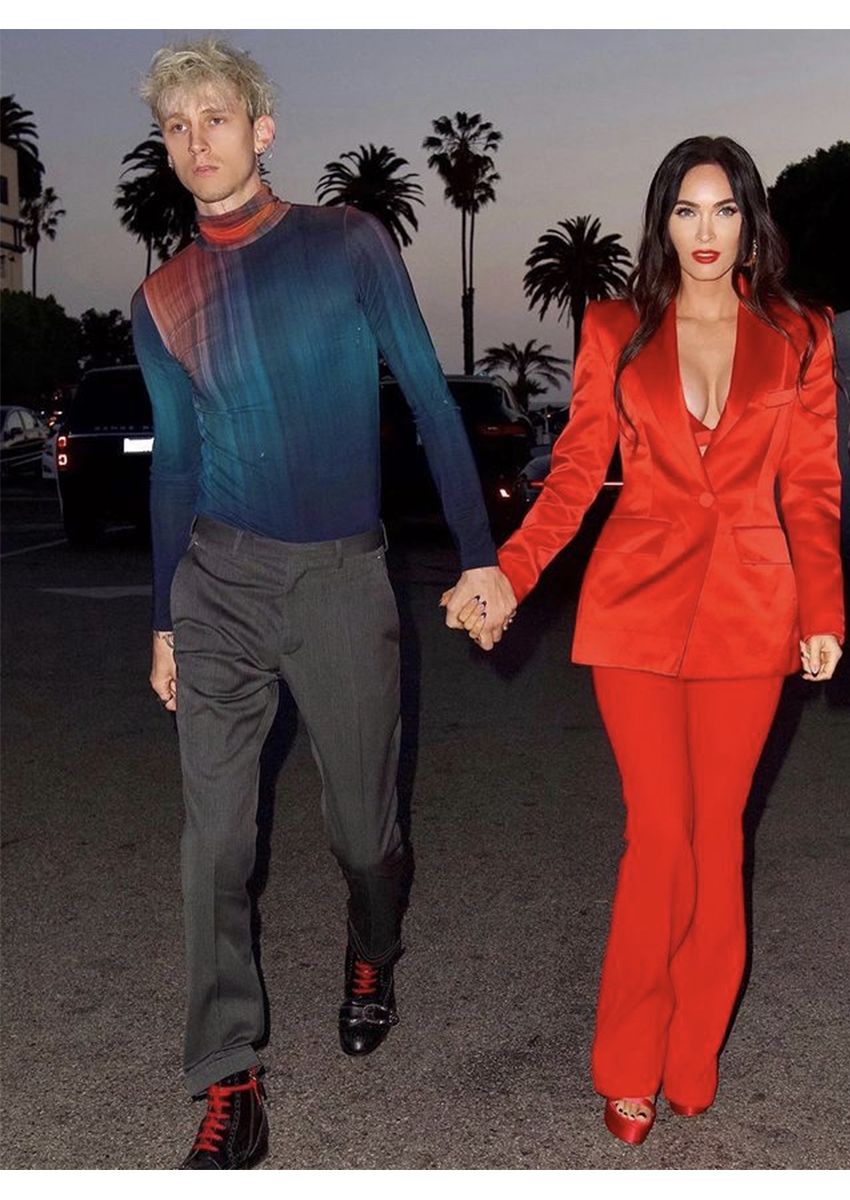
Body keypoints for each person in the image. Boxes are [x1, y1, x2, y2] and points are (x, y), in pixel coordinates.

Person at [131, 38, 516, 1169]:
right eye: (175, 127)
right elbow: (175, 465)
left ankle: (372, 945)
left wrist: (479, 556)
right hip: (218, 582)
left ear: (261, 129)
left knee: (363, 833)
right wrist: (163, 618)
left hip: (343, 577)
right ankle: (228, 1077)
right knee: (214, 841)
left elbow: (432, 402)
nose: (195, 141)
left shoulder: (348, 243)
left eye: (214, 117)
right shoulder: (162, 299)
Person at [450, 135, 844, 1145]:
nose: (705, 231)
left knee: (718, 839)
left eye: (724, 209)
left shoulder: (801, 332)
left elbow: (810, 484)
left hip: (751, 614)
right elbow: (577, 472)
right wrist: (511, 571)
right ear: (662, 220)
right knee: (659, 834)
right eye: (686, 209)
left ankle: (693, 1046)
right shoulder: (616, 327)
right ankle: (628, 1062)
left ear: (750, 220)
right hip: (635, 610)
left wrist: (822, 610)